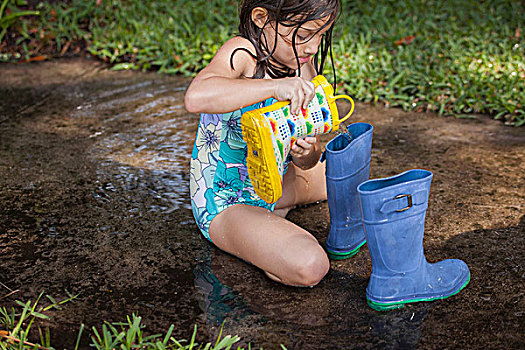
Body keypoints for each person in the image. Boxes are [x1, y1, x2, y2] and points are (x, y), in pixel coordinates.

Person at [185, 0, 340, 287]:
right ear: (261, 18)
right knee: (310, 265)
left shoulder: (302, 63)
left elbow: (308, 157)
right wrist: (274, 87)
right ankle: (261, 229)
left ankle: (273, 214)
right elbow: (196, 96)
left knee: (347, 179)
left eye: (322, 34)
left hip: (274, 182)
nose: (313, 47)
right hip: (226, 200)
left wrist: (308, 151)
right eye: (304, 35)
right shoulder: (242, 53)